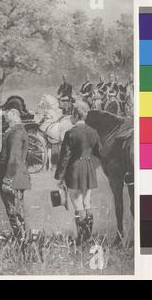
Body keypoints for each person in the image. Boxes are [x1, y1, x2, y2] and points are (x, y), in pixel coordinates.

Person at [54, 101, 101, 246]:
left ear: (75, 115)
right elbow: (100, 153)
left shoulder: (70, 133)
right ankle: (89, 237)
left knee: (77, 203)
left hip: (74, 170)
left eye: (71, 115)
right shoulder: (93, 132)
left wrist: (59, 177)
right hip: (88, 169)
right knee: (87, 202)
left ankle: (81, 239)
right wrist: (90, 165)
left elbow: (65, 158)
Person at [0, 98, 31, 240]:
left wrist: (7, 180)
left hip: (12, 176)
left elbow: (14, 158)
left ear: (14, 113)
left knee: (13, 210)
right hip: (16, 175)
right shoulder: (16, 130)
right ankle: (21, 239)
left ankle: (21, 241)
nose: (4, 114)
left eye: (6, 111)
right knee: (16, 209)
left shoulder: (16, 132)